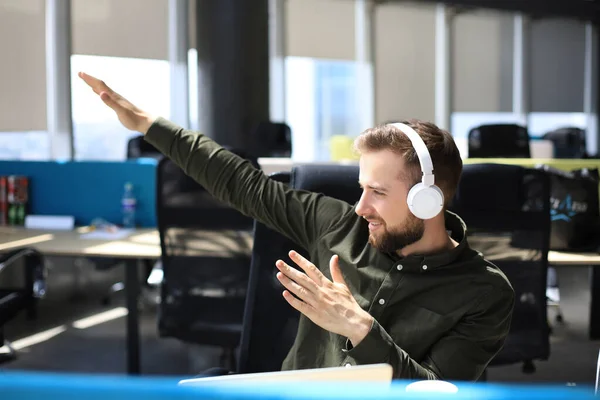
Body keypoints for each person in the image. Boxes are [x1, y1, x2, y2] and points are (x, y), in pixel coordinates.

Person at [79, 72, 514, 381]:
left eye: (378, 193)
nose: (361, 207)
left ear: (428, 198)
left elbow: (432, 393)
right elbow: (242, 183)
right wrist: (149, 126)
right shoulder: (338, 226)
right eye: (362, 188)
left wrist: (358, 328)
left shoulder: (483, 292)